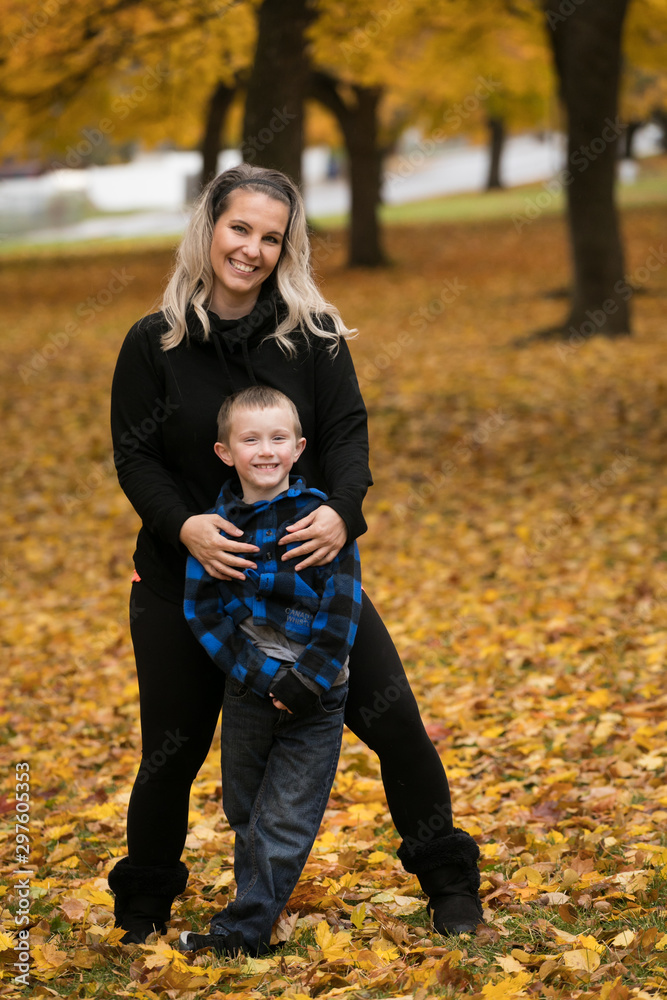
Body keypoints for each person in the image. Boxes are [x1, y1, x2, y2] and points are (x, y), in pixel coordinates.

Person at [107, 162, 482, 945]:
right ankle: (142, 911)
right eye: (238, 228)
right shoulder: (154, 342)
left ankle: (449, 884)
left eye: (270, 237)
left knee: (397, 724)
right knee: (169, 756)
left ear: (286, 247)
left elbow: (346, 435)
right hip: (186, 579)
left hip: (305, 583)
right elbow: (134, 456)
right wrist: (185, 527)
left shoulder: (310, 336)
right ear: (208, 226)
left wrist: (344, 514)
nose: (251, 248)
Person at [178, 385, 361, 956]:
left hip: (317, 689)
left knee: (284, 818)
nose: (265, 450)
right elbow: (202, 611)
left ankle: (243, 931)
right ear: (224, 452)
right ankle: (253, 914)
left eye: (278, 438)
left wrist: (307, 678)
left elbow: (344, 601)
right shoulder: (215, 528)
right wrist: (263, 677)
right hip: (250, 686)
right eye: (250, 439)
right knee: (245, 808)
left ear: (299, 446)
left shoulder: (318, 519)